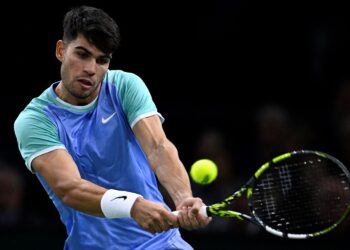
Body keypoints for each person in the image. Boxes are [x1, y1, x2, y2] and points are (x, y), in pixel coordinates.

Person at [13, 5, 210, 250]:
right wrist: (133, 205)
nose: (91, 69)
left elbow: (158, 147)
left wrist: (183, 198)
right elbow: (69, 188)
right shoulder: (35, 120)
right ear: (61, 50)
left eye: (101, 60)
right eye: (82, 54)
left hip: (162, 243)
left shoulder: (125, 86)